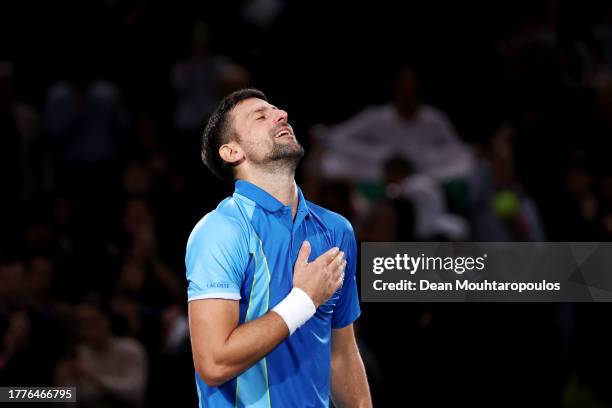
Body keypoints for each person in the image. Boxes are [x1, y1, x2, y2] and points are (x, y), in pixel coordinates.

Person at [186, 89, 371, 407]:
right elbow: (213, 363)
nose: (281, 115)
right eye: (260, 116)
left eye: (277, 110)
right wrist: (303, 300)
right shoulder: (220, 230)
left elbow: (341, 355)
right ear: (232, 152)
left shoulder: (337, 230)